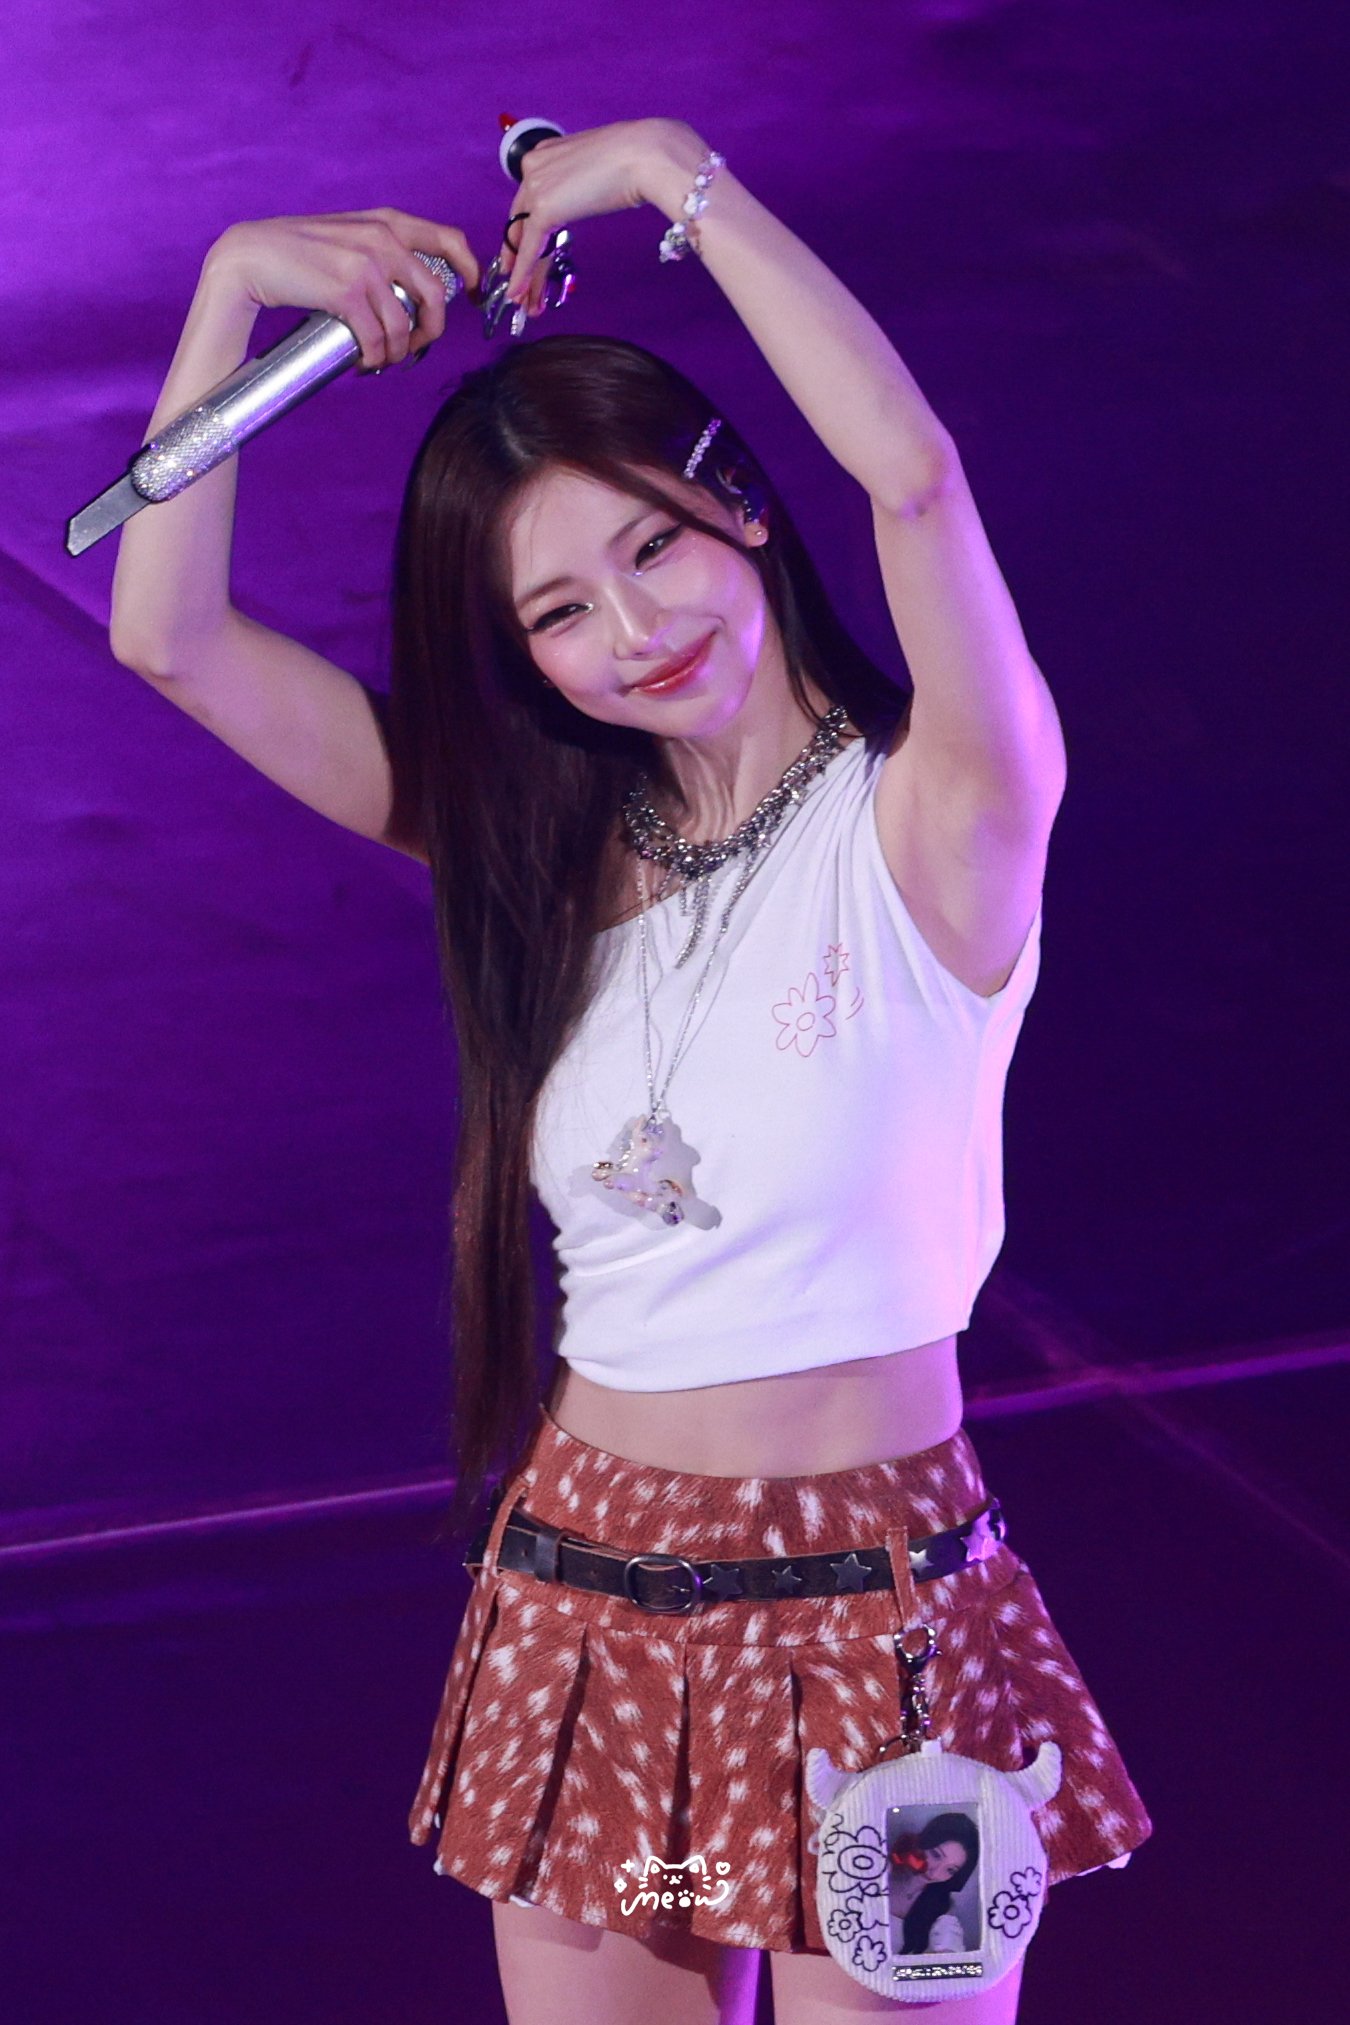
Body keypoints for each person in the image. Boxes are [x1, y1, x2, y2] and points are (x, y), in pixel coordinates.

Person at [109, 115, 1151, 2025]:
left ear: (737, 504)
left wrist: (684, 180)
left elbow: (914, 476)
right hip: (585, 1606)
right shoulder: (547, 864)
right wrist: (234, 287)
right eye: (560, 613)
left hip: (893, 1635)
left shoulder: (946, 813)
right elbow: (167, 638)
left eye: (652, 545)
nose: (636, 631)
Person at [889, 1813, 981, 1957]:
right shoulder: (880, 1870)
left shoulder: (942, 1916)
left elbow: (950, 1955)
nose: (935, 1873)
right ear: (923, 1842)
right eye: (936, 1855)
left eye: (950, 1870)